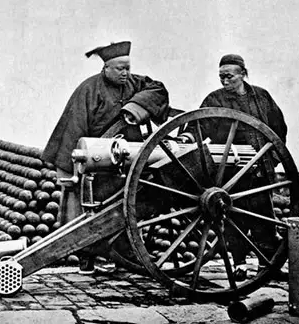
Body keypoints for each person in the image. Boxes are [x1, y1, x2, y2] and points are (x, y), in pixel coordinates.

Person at [42, 41, 170, 273]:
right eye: (120, 69)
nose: (125, 73)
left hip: (127, 160)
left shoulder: (135, 83)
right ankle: (87, 257)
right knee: (90, 212)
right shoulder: (88, 90)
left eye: (128, 68)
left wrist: (136, 108)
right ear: (106, 68)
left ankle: (124, 255)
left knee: (126, 208)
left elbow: (158, 90)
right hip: (97, 163)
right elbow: (73, 128)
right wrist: (71, 167)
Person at [178, 53, 286, 278]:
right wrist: (187, 137)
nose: (225, 81)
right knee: (234, 217)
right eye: (221, 77)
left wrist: (274, 158)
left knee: (263, 215)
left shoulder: (262, 97)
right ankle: (239, 264)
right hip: (231, 171)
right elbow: (199, 125)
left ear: (243, 74)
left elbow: (278, 129)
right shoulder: (215, 99)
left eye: (229, 76)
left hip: (260, 168)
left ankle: (267, 264)